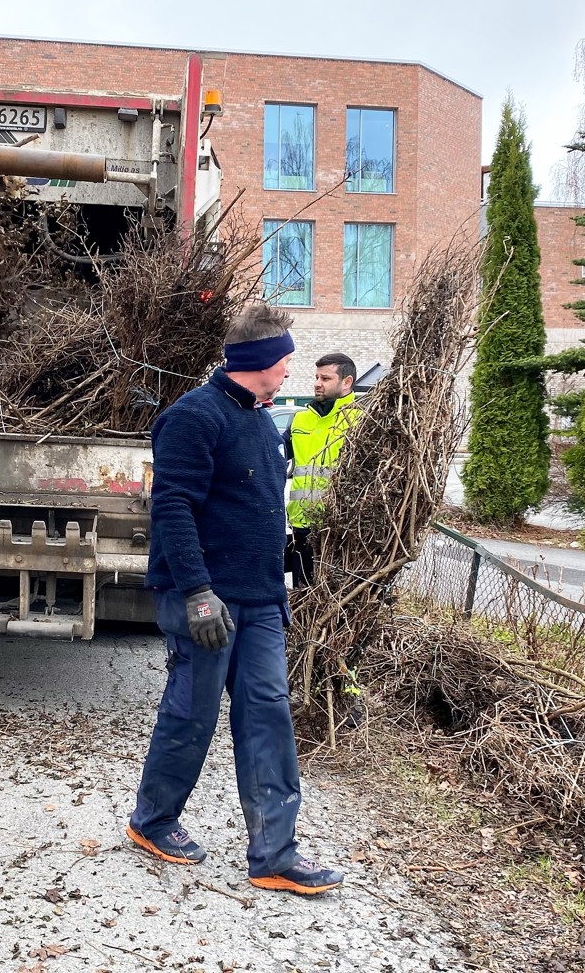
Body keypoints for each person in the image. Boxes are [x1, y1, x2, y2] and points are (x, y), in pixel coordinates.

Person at [127, 303, 345, 896]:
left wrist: (280, 588)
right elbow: (172, 508)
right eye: (286, 359)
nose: (292, 369)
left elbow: (262, 511)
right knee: (192, 713)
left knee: (269, 715)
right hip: (205, 599)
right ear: (262, 360)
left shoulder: (261, 421)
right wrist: (197, 592)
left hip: (260, 600)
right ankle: (153, 821)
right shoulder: (193, 417)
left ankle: (275, 854)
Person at [286, 353, 360, 587]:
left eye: (326, 378)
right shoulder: (300, 419)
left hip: (340, 529)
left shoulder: (360, 421)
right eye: (316, 377)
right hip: (301, 525)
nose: (317, 383)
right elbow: (277, 460)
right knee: (302, 594)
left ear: (347, 382)